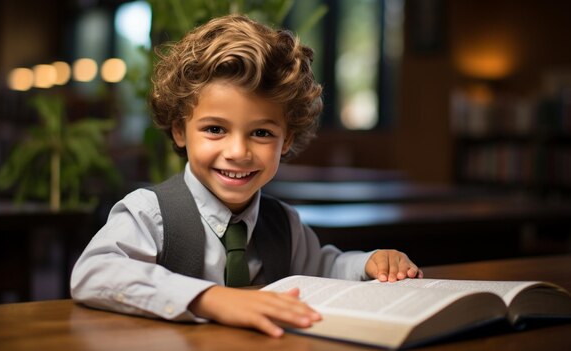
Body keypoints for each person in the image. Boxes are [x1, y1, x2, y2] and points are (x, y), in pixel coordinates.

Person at [71, 14, 423, 338]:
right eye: (214, 129)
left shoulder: (283, 222)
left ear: (286, 140)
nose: (238, 152)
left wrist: (368, 262)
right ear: (180, 131)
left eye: (261, 133)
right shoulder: (150, 212)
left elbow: (323, 266)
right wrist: (211, 299)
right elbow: (95, 272)